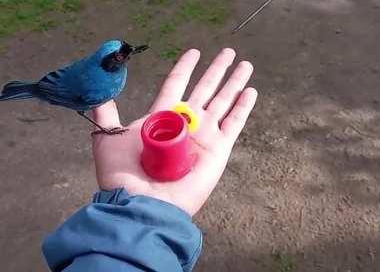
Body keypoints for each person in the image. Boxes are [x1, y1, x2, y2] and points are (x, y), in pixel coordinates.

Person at [42, 48, 258, 272]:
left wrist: (139, 208)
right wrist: (149, 214)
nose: (128, 56)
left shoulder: (106, 76)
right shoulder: (95, 82)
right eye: (120, 56)